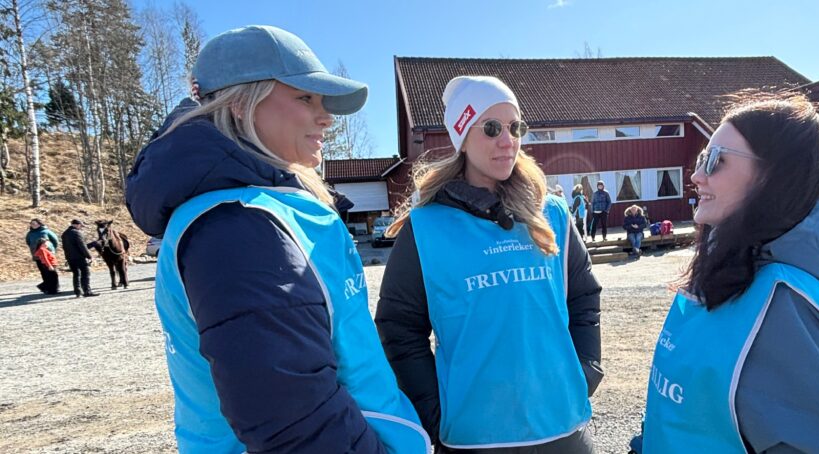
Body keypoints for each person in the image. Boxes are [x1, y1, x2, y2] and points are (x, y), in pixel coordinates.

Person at [125, 25, 427, 453]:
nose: (326, 117)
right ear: (241, 103)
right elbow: (295, 421)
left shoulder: (259, 209)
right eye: (305, 98)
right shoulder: (239, 229)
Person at [375, 75, 603, 453]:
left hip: (563, 429)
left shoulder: (552, 215)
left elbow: (584, 297)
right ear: (462, 138)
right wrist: (435, 411)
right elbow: (398, 328)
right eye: (492, 128)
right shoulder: (427, 228)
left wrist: (585, 371)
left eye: (516, 127)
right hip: (475, 438)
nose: (508, 140)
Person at [635, 93, 819, 453]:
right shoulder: (723, 267)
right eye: (701, 158)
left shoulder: (786, 309)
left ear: (774, 177)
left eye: (716, 160)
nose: (696, 176)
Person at [61, 219, 98, 297]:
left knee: (76, 274)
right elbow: (82, 246)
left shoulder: (64, 234)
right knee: (85, 274)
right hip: (79, 257)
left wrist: (67, 258)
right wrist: (89, 256)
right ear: (76, 224)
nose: (81, 227)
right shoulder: (77, 233)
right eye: (81, 226)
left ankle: (77, 292)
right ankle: (87, 291)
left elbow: (64, 247)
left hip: (70, 258)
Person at [26, 218, 60, 295]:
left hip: (47, 255)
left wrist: (51, 250)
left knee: (52, 273)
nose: (32, 225)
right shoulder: (30, 234)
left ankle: (54, 288)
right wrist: (35, 250)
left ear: (39, 224)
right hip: (38, 256)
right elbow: (28, 243)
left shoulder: (46, 231)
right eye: (31, 224)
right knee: (44, 273)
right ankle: (47, 288)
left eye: (34, 223)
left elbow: (55, 241)